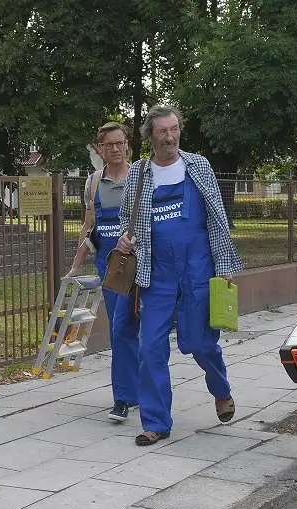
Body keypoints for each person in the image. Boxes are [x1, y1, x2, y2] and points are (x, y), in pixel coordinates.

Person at [115, 105, 244, 447]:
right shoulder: (140, 173)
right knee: (150, 347)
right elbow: (128, 219)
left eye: (174, 130)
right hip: (156, 273)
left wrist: (225, 266)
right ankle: (156, 421)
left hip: (198, 269)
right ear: (150, 136)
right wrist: (126, 241)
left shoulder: (198, 166)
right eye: (162, 131)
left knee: (200, 343)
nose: (170, 137)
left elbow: (217, 219)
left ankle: (221, 389)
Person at [66, 122, 141, 422]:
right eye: (108, 144)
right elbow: (89, 227)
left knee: (143, 331)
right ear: (100, 149)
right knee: (120, 330)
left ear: (127, 145)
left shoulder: (141, 176)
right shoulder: (93, 183)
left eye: (120, 143)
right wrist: (75, 265)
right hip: (110, 269)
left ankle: (141, 391)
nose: (115, 149)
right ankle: (123, 397)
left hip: (141, 264)